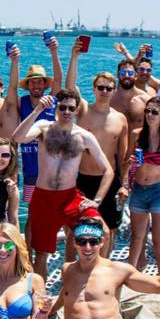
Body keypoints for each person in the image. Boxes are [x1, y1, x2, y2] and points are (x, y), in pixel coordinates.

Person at [12, 89, 112, 277]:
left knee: (103, 232)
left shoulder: (84, 136)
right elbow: (17, 138)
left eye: (70, 108)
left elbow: (108, 170)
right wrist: (36, 110)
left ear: (76, 110)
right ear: (56, 108)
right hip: (43, 198)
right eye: (62, 107)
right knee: (41, 253)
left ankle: (95, 280)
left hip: (70, 198)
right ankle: (41, 298)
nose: (66, 111)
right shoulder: (43, 127)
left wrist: (97, 200)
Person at [66, 44, 129, 256]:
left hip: (109, 181)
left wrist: (124, 185)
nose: (104, 91)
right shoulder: (83, 110)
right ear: (93, 89)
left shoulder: (120, 119)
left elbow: (124, 155)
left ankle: (103, 269)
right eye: (100, 87)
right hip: (82, 178)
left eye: (108, 88)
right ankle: (71, 269)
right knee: (75, 226)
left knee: (109, 228)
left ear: (114, 91)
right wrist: (74, 57)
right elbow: (70, 86)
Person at [121, 97, 160, 274]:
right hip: (139, 189)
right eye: (147, 111)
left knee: (159, 241)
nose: (149, 115)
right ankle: (130, 278)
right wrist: (129, 166)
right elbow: (125, 164)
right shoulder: (137, 135)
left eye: (154, 112)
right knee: (136, 238)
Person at [4, 39, 64, 203]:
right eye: (33, 81)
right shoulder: (21, 103)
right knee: (33, 214)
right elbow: (12, 87)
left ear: (45, 85)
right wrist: (15, 61)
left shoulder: (52, 101)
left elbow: (58, 80)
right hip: (31, 172)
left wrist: (53, 51)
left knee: (56, 211)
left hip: (53, 170)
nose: (36, 85)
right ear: (28, 85)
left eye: (40, 81)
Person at [111, 59, 149, 150]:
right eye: (123, 73)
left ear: (135, 75)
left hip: (140, 151)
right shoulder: (110, 100)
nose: (127, 76)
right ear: (118, 75)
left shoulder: (146, 100)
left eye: (130, 73)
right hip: (117, 151)